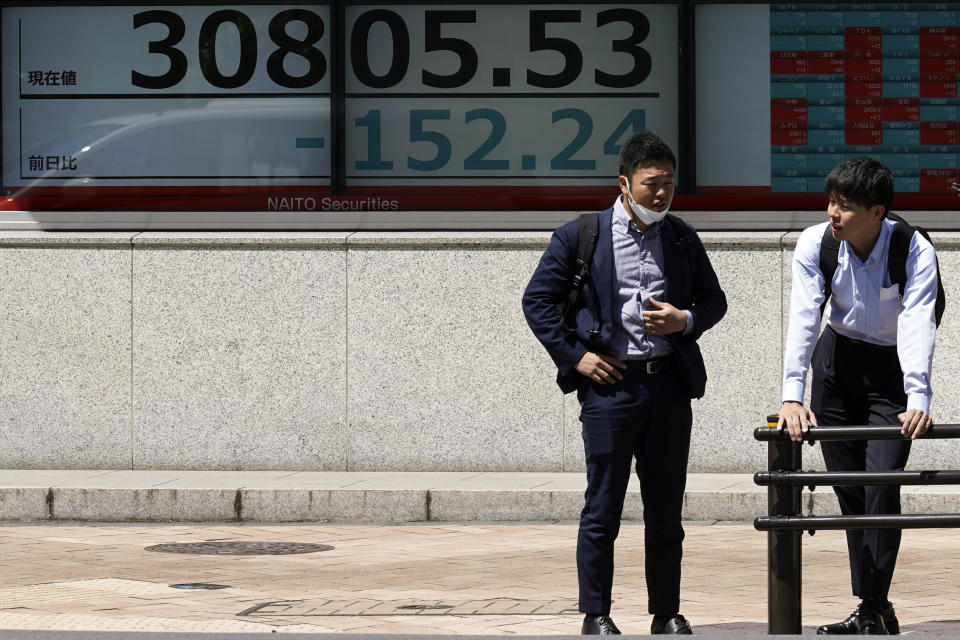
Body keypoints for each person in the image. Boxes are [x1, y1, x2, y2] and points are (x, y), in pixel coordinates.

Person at [522, 131, 727, 635]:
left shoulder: (680, 236)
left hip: (668, 387)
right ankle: (596, 614)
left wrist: (685, 320)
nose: (662, 195)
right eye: (651, 184)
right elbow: (537, 303)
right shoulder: (581, 236)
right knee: (603, 506)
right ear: (624, 183)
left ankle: (666, 613)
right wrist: (579, 358)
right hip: (610, 389)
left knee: (666, 510)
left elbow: (714, 300)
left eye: (669, 185)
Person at [778, 157, 938, 635]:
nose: (833, 213)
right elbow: (805, 318)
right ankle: (873, 604)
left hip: (891, 371)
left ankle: (873, 604)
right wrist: (792, 393)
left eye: (845, 206)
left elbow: (917, 322)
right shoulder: (816, 243)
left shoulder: (912, 249)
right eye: (830, 202)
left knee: (881, 483)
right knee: (849, 488)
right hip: (837, 363)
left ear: (877, 211)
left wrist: (918, 396)